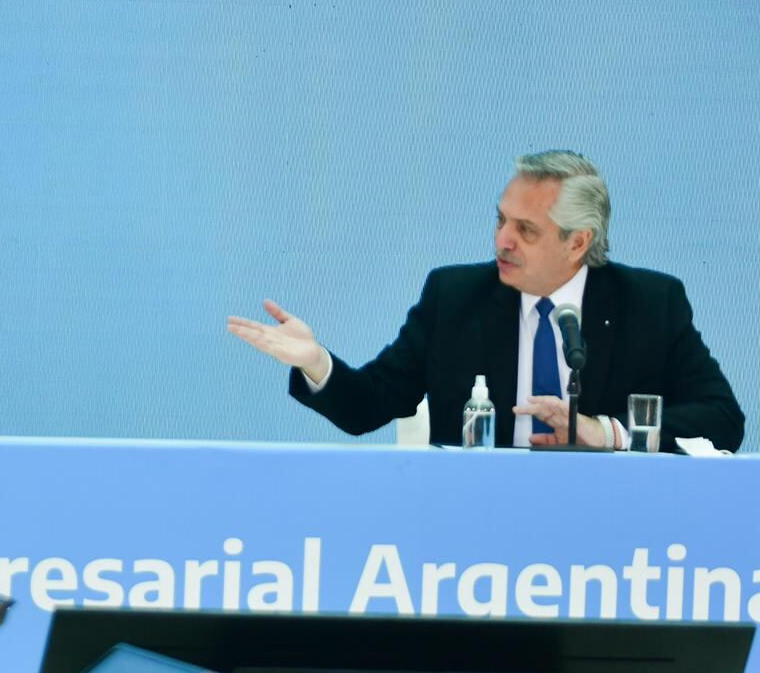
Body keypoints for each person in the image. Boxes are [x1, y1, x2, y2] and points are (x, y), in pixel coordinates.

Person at [228, 151, 744, 451]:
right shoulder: (454, 297)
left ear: (578, 241)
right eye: (500, 220)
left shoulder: (650, 303)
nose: (502, 241)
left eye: (525, 230)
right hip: (475, 543)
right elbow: (368, 405)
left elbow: (723, 420)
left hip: (612, 545)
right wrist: (316, 362)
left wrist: (606, 433)